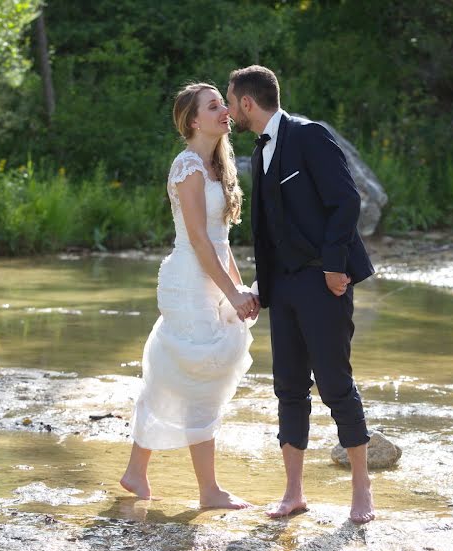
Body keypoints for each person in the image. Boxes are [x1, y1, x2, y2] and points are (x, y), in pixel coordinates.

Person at [226, 65, 376, 524]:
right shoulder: (260, 148)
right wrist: (260, 289)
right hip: (285, 287)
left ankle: (362, 490)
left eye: (231, 103)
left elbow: (346, 201)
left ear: (247, 103)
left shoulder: (310, 135)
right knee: (288, 388)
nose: (230, 112)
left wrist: (334, 265)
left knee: (334, 384)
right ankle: (293, 493)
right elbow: (270, 231)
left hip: (322, 282)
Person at [120, 82, 258, 510]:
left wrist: (239, 289)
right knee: (201, 376)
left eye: (224, 105)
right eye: (214, 107)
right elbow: (198, 241)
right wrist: (231, 291)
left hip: (211, 277)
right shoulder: (189, 167)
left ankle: (135, 472)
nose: (225, 112)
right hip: (187, 279)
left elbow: (220, 241)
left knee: (175, 375)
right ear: (193, 120)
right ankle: (208, 491)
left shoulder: (218, 166)